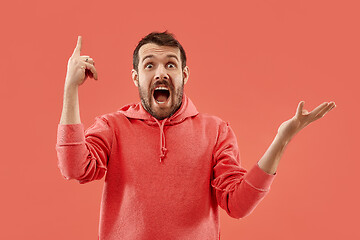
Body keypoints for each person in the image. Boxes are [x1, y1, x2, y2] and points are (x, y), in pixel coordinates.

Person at [56, 31, 336, 240]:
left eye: (171, 64)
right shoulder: (113, 127)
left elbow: (237, 204)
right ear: (135, 77)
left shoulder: (216, 131)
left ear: (184, 74)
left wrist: (281, 140)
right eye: (149, 65)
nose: (161, 72)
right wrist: (71, 88)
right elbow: (74, 167)